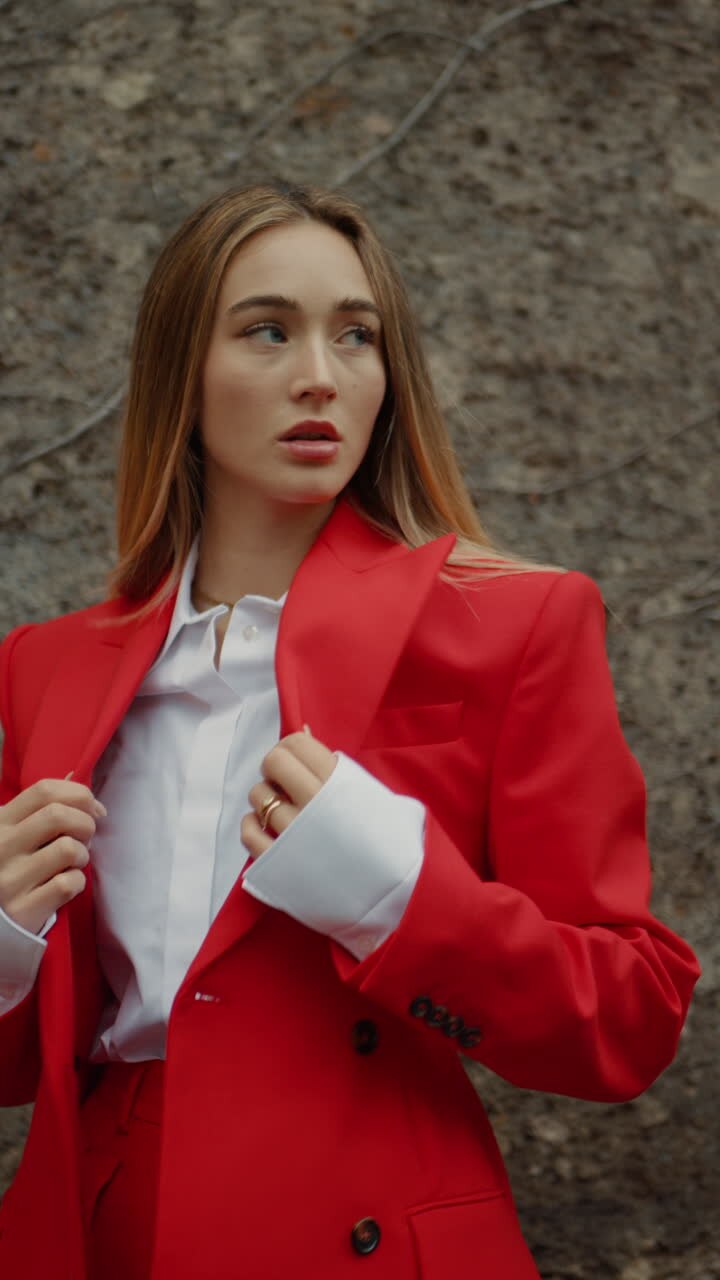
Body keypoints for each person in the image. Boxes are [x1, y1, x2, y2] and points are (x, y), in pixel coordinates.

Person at [0, 183, 700, 1280]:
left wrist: (396, 892)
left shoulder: (517, 620)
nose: (321, 373)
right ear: (181, 368)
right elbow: (21, 1061)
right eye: (268, 329)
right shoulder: (46, 664)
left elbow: (628, 1019)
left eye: (358, 335)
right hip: (110, 1221)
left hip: (368, 1222)